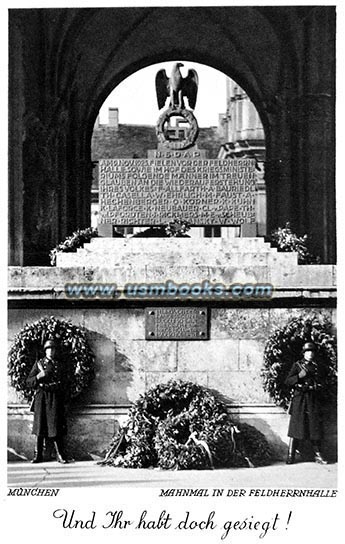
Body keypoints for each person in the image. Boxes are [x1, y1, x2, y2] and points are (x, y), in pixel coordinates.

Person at [285, 341, 327, 465]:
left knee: (314, 427)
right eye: (307, 352)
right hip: (300, 399)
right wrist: (298, 376)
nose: (310, 354)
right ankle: (291, 455)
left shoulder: (317, 366)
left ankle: (318, 455)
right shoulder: (298, 365)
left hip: (312, 398)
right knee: (296, 427)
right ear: (303, 353)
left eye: (312, 351)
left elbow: (323, 381)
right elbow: (288, 381)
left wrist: (317, 386)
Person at [26, 338, 68, 463]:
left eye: (53, 349)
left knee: (55, 427)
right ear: (45, 351)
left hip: (55, 397)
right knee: (40, 427)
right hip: (42, 397)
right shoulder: (39, 364)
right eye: (49, 349)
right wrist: (39, 376)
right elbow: (29, 381)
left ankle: (60, 455)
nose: (51, 351)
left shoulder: (59, 365)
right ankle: (38, 455)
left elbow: (65, 382)